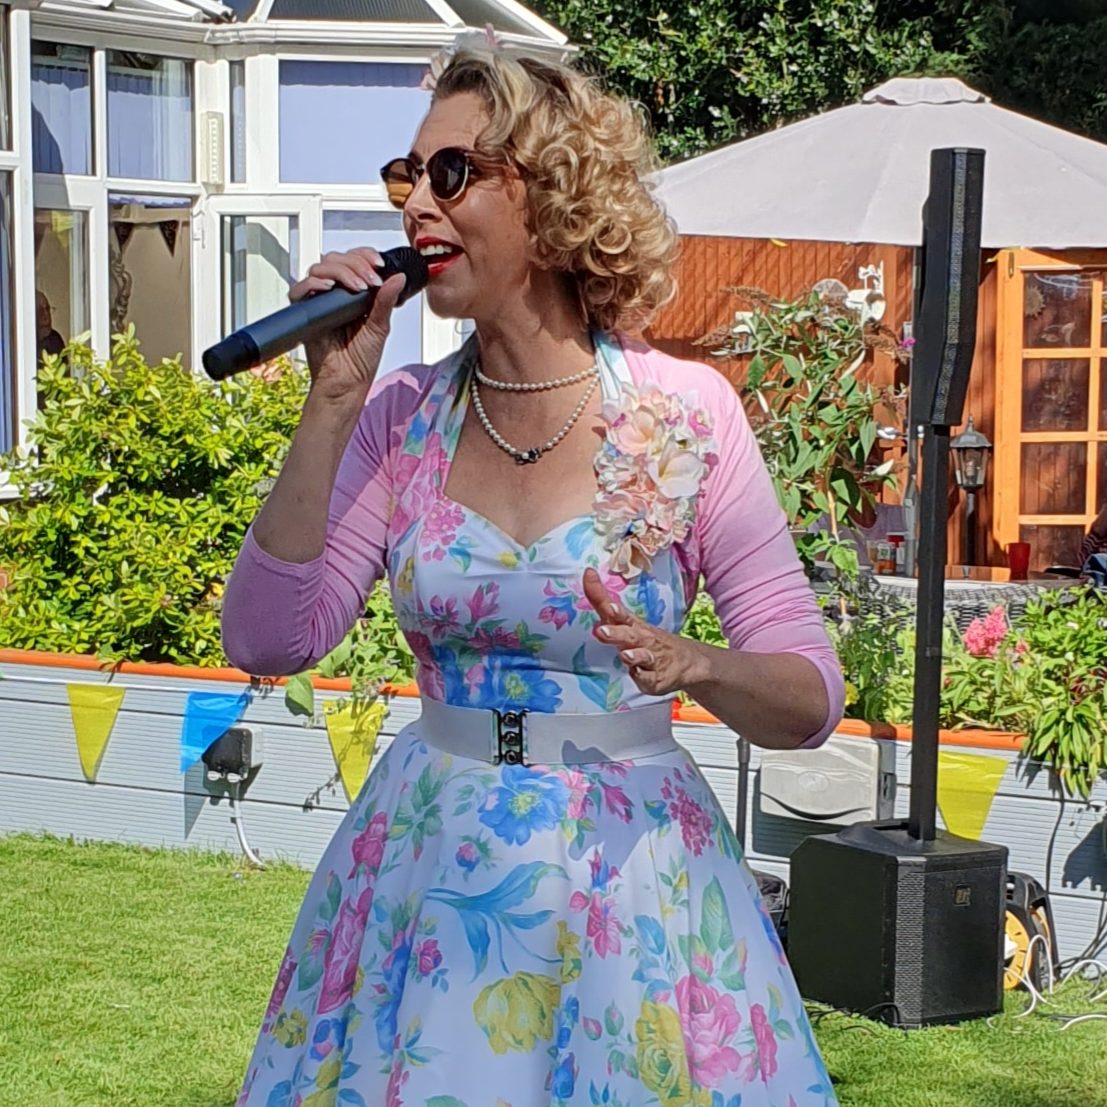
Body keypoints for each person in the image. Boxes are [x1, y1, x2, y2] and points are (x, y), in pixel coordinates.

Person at [222, 41, 845, 1107]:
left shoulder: (686, 413)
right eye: (406, 176)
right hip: (428, 869)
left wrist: (695, 662)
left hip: (631, 882)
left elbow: (810, 696)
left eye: (452, 173)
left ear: (552, 197)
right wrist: (329, 400)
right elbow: (270, 640)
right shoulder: (397, 416)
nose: (417, 201)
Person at [36, 289, 65, 362]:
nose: (46, 315)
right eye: (40, 310)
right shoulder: (26, 341)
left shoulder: (55, 339)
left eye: (47, 309)